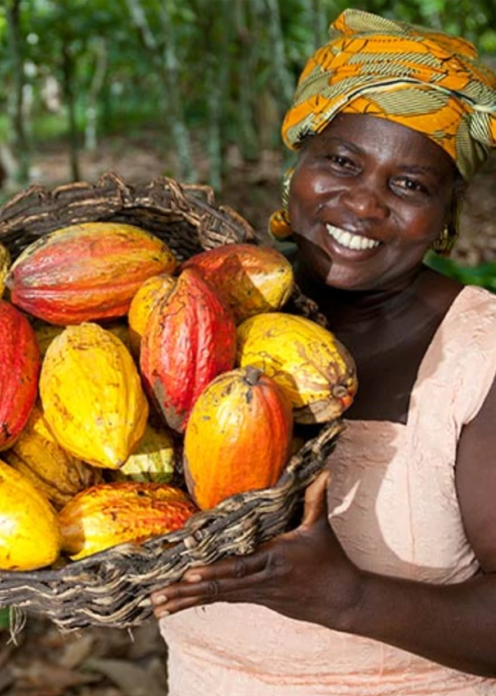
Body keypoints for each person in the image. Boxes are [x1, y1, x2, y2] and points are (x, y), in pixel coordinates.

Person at [150, 9, 496, 695]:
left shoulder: (477, 357)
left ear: (445, 215)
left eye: (409, 184)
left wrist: (348, 597)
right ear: (296, 169)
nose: (363, 204)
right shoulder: (195, 308)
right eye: (342, 161)